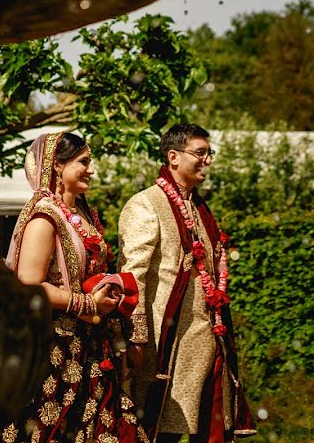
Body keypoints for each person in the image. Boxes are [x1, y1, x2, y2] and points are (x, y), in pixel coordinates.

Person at [0, 132, 146, 443]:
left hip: (91, 344)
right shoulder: (44, 218)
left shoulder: (84, 214)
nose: (92, 170)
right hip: (53, 351)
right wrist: (88, 304)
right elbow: (28, 284)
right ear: (57, 166)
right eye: (84, 162)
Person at [118, 124, 255, 442]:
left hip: (207, 338)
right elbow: (131, 278)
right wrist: (136, 342)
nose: (207, 160)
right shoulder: (146, 204)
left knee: (206, 430)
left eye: (210, 153)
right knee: (160, 431)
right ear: (173, 157)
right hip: (166, 344)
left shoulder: (200, 208)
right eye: (200, 153)